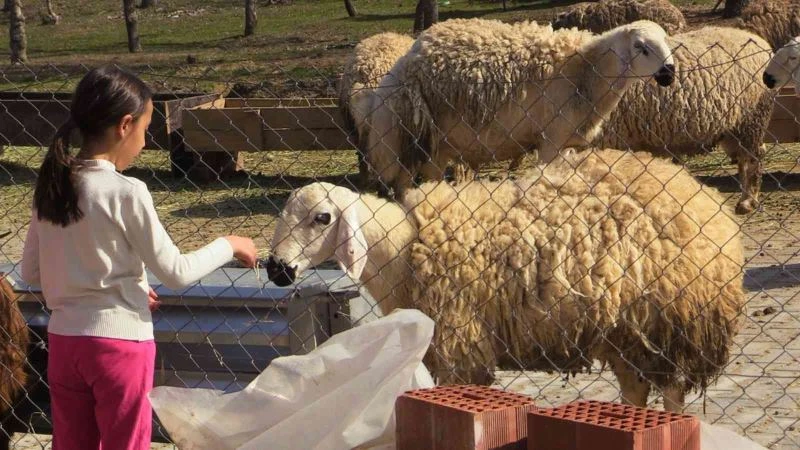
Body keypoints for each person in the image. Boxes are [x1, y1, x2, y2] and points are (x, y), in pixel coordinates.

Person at [20, 65, 257, 450]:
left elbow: (32, 271)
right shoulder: (127, 191)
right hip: (120, 346)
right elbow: (177, 272)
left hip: (64, 344)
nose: (145, 144)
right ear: (125, 125)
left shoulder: (51, 185)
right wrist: (229, 243)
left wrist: (115, 286)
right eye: (146, 131)